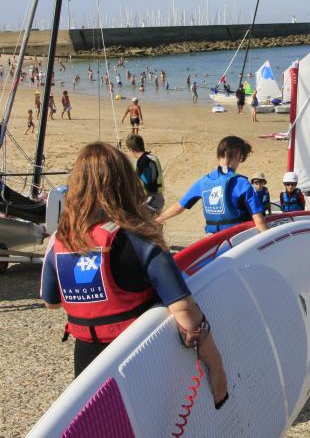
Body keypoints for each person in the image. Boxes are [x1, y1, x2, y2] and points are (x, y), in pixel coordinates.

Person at [39, 142, 229, 408]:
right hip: (138, 355)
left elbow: (52, 302)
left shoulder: (60, 240)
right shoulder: (139, 238)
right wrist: (217, 367)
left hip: (86, 359)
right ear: (125, 183)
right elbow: (184, 309)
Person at [158, 136, 268, 234]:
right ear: (237, 154)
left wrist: (157, 220)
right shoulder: (242, 183)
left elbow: (179, 207)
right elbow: (260, 221)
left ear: (219, 154)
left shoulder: (203, 182)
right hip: (239, 240)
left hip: (215, 242)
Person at [126, 134, 165, 213]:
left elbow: (144, 182)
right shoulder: (152, 157)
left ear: (131, 149)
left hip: (152, 201)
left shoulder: (142, 162)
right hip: (159, 198)